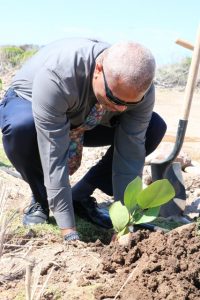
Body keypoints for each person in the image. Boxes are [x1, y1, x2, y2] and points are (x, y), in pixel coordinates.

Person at [0, 38, 166, 242]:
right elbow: (54, 154)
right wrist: (69, 231)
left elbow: (130, 154)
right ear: (98, 69)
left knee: (154, 127)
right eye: (115, 99)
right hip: (31, 104)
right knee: (21, 128)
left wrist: (125, 224)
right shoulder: (59, 74)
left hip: (88, 116)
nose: (121, 109)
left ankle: (81, 193)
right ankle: (41, 198)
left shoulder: (140, 91)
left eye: (129, 104)